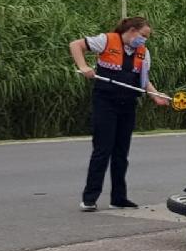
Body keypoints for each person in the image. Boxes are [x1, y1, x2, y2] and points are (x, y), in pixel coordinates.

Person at [69, 17, 170, 211]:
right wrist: (83, 66)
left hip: (128, 104)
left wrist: (155, 96)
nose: (144, 41)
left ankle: (118, 197)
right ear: (132, 30)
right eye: (143, 36)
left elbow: (144, 80)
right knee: (102, 150)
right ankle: (89, 198)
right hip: (105, 102)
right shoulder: (106, 40)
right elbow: (75, 45)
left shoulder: (143, 53)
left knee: (121, 153)